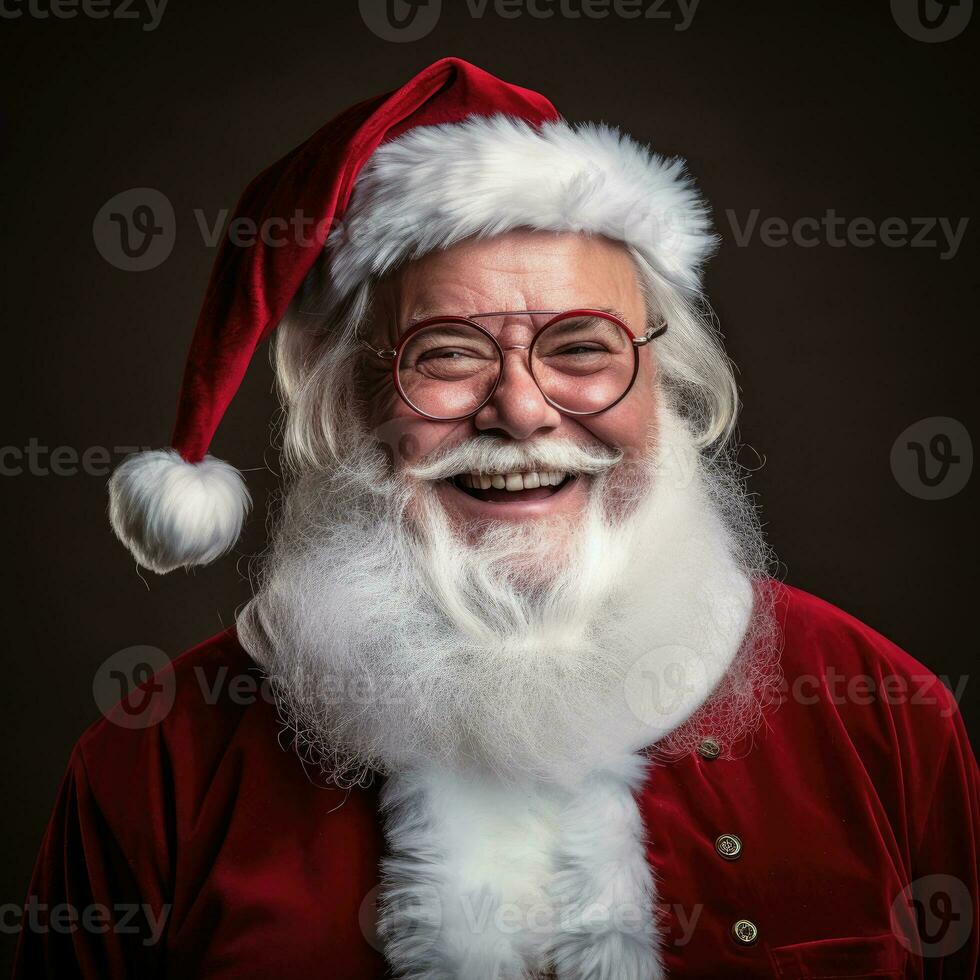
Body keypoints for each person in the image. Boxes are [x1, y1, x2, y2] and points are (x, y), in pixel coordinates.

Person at [15, 57, 977, 979]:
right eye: (445, 355)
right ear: (343, 403)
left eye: (580, 347)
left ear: (667, 379)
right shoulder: (154, 763)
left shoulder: (879, 713)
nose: (521, 411)